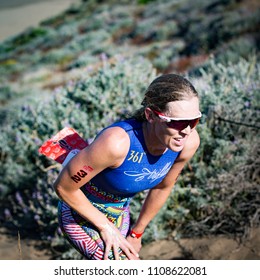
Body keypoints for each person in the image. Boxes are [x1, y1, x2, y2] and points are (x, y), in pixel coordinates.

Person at [53, 73, 201, 260]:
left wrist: (136, 233)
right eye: (178, 122)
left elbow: (163, 186)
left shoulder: (188, 144)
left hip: (119, 211)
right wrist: (105, 227)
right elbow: (63, 187)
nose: (186, 131)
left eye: (194, 121)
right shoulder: (116, 143)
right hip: (79, 210)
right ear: (150, 116)